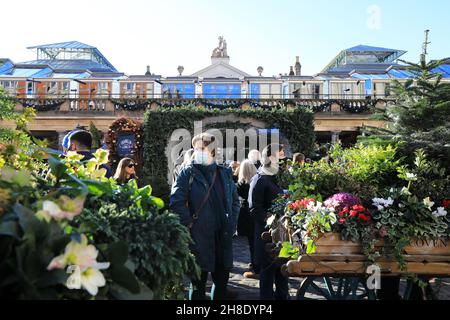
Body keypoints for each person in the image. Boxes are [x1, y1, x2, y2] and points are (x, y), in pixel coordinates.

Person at [170, 133, 240, 300]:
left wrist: (232, 223)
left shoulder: (223, 172)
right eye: (198, 148)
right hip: (198, 237)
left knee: (221, 284)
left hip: (222, 236)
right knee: (197, 285)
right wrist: (189, 225)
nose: (200, 151)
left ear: (214, 150)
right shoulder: (187, 173)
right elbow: (176, 202)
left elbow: (235, 202)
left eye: (204, 148)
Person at [249, 143, 289, 300]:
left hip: (283, 233)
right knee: (267, 274)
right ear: (272, 157)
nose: (283, 156)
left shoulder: (277, 177)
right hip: (266, 235)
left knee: (283, 272)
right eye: (281, 153)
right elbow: (254, 209)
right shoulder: (259, 179)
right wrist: (271, 221)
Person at [236, 160, 259, 279]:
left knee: (251, 242)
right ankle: (255, 263)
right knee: (256, 241)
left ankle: (256, 266)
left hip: (246, 214)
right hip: (256, 213)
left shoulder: (241, 184)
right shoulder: (257, 182)